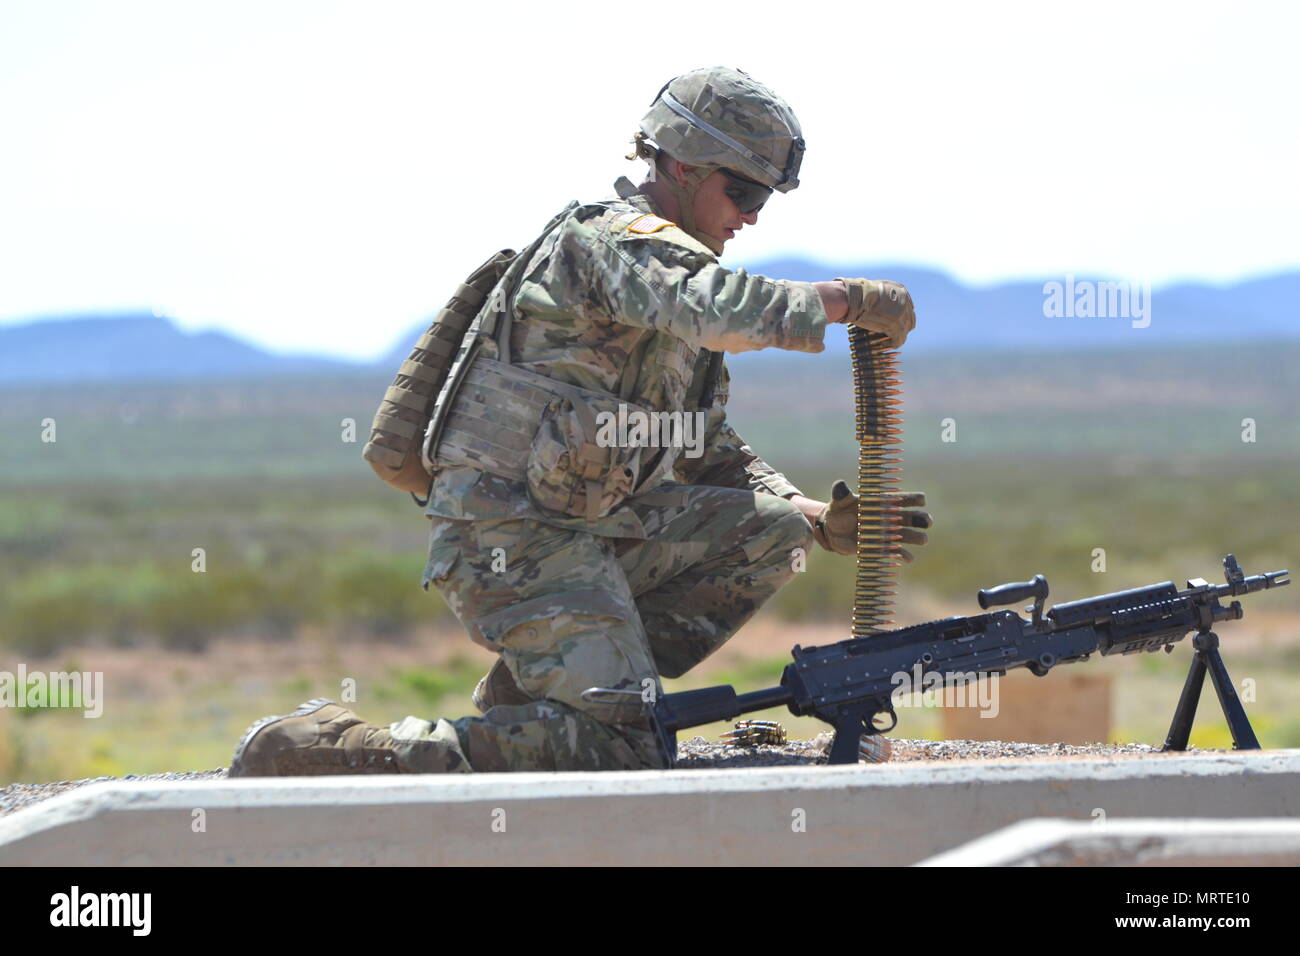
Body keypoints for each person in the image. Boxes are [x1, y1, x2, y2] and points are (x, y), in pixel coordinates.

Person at [229, 66, 929, 777]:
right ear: (682, 166)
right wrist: (845, 300)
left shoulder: (673, 295)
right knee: (620, 751)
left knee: (774, 531)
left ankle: (559, 699)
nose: (750, 216)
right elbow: (726, 310)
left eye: (763, 200)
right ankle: (334, 750)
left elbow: (704, 448)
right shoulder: (611, 244)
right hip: (512, 538)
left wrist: (815, 517)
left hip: (595, 532)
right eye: (742, 191)